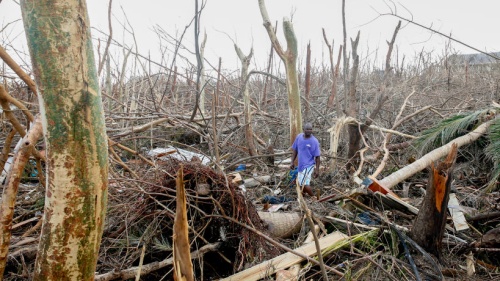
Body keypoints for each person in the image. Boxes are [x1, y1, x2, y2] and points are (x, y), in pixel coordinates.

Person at [290, 122, 321, 197]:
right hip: (301, 165)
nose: (309, 131)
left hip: (308, 165)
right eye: (307, 129)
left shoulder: (314, 141)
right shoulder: (299, 137)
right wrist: (292, 162)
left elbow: (317, 157)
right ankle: (302, 198)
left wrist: (317, 169)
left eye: (310, 129)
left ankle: (315, 198)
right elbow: (295, 150)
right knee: (300, 183)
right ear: (303, 129)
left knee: (304, 184)